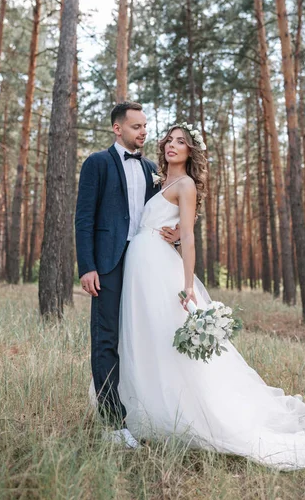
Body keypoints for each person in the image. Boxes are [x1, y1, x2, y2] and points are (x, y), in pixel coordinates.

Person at [118, 123, 305, 470]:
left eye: (181, 142)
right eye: (169, 140)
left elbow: (187, 236)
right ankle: (146, 409)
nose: (173, 146)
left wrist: (188, 286)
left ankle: (190, 414)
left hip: (159, 270)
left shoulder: (186, 185)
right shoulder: (159, 182)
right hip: (140, 268)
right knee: (146, 339)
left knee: (167, 340)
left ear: (191, 152)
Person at [75, 102, 180, 447]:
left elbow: (171, 206)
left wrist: (178, 233)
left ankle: (148, 412)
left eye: (145, 126)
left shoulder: (152, 168)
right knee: (105, 339)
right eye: (136, 127)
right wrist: (87, 266)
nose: (144, 132)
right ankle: (112, 423)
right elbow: (84, 218)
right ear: (117, 129)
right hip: (108, 265)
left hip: (145, 265)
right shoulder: (97, 163)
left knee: (142, 338)